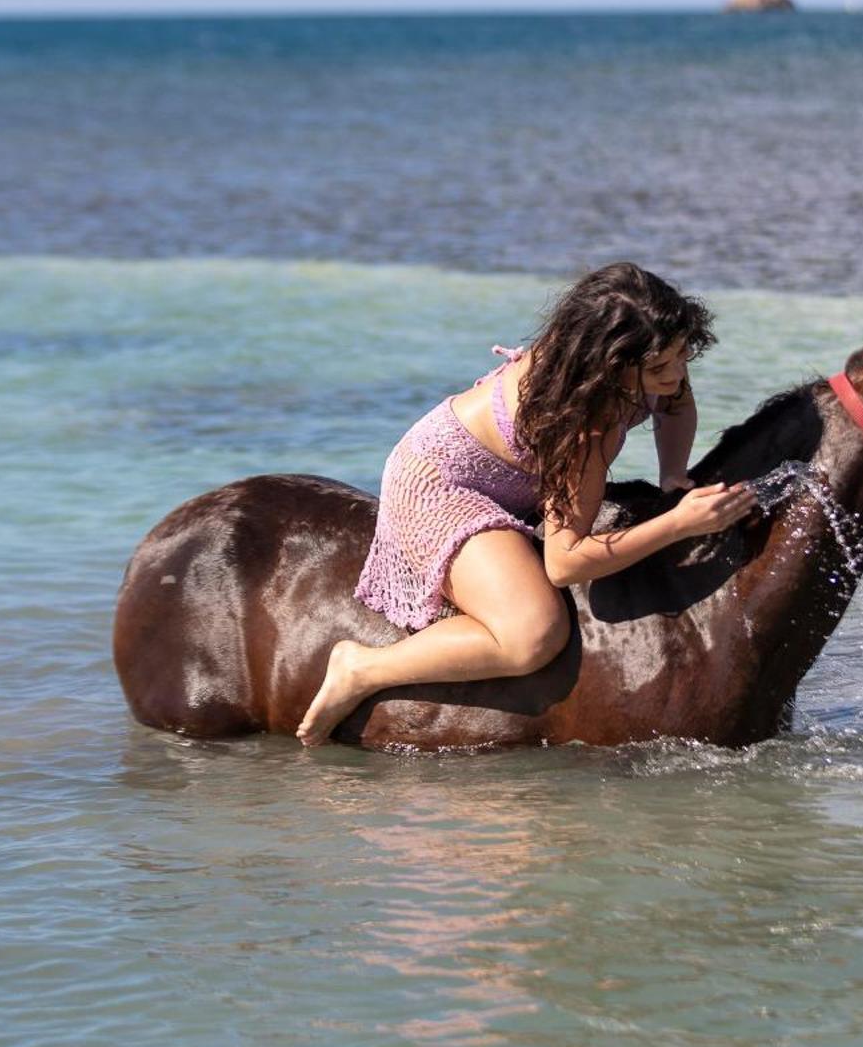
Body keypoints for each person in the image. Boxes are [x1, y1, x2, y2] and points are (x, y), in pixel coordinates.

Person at [296, 262, 757, 744]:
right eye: (660, 367)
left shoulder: (649, 367)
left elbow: (677, 404)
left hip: (519, 481)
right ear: (607, 366)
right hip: (441, 484)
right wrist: (679, 524)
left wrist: (673, 473)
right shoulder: (584, 426)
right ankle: (362, 668)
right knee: (532, 634)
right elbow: (566, 561)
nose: (678, 373)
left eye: (683, 355)